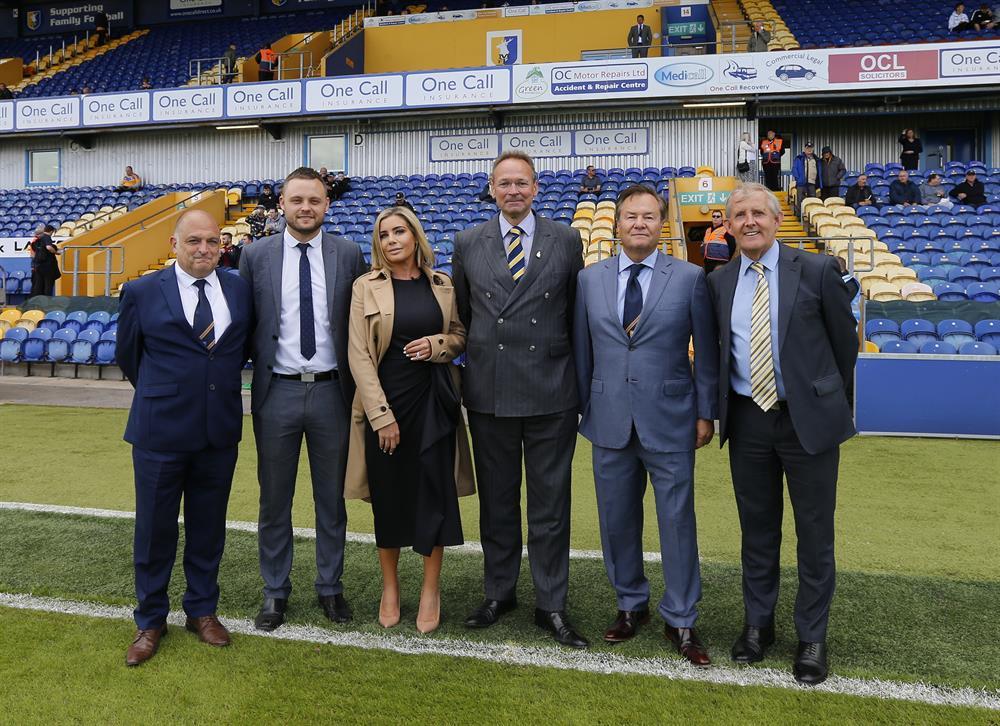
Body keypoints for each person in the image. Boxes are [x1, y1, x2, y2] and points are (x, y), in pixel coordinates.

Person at [706, 183, 858, 686]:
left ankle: (812, 636)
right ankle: (758, 625)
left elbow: (844, 347)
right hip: (748, 420)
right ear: (727, 224)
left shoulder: (815, 269)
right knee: (758, 529)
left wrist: (829, 404)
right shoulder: (719, 280)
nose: (749, 221)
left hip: (806, 420)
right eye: (739, 214)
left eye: (758, 213)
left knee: (815, 534)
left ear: (776, 220)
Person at [573, 185, 718, 664]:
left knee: (677, 522)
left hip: (672, 419)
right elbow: (582, 349)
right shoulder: (589, 280)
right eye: (631, 216)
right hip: (608, 417)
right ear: (616, 224)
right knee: (616, 521)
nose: (639, 223)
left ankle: (681, 618)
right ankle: (629, 604)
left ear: (661, 225)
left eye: (649, 217)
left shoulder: (692, 277)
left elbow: (708, 353)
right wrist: (582, 406)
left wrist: (704, 411)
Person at [452, 151, 587, 648]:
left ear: (536, 188)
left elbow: (575, 313)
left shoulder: (566, 239)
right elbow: (465, 315)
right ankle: (498, 591)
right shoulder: (468, 242)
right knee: (498, 503)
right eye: (504, 183)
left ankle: (551, 603)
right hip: (489, 393)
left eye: (522, 183)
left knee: (551, 505)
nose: (513, 191)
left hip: (552, 391)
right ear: (491, 188)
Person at [117, 209, 252, 666]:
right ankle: (150, 619)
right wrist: (166, 395)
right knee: (154, 530)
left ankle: (201, 610)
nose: (204, 250)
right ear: (174, 244)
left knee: (208, 528)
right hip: (160, 431)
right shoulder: (140, 291)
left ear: (222, 245)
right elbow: (130, 357)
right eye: (194, 241)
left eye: (212, 241)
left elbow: (241, 350)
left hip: (218, 432)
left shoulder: (238, 287)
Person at [239, 167, 367, 632]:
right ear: (283, 205)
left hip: (334, 391)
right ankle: (276, 591)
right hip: (277, 393)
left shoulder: (349, 253)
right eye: (297, 200)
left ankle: (330, 587)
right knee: (275, 499)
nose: (306, 208)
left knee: (331, 498)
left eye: (314, 200)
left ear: (327, 204)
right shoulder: (255, 256)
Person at [345, 206, 474, 634]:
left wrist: (438, 344)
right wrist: (382, 416)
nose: (392, 240)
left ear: (415, 236)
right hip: (387, 405)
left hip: (434, 404)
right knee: (391, 498)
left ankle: (431, 591)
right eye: (384, 234)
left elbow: (459, 336)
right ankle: (391, 589)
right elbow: (359, 355)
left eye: (400, 231)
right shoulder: (365, 286)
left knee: (434, 498)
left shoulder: (442, 284)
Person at [28, 224, 60, 296]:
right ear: (51, 231)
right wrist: (56, 252)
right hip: (47, 266)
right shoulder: (46, 238)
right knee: (48, 285)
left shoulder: (36, 240)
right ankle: (47, 302)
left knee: (39, 285)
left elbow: (34, 253)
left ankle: (39, 302)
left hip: (38, 265)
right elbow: (48, 247)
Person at [702, 210, 736, 274]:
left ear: (721, 218)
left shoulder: (725, 229)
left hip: (720, 262)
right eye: (714, 216)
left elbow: (732, 245)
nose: (715, 218)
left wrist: (728, 259)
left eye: (718, 216)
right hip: (707, 261)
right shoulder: (708, 230)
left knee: (718, 280)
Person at [791, 142, 820, 212]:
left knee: (812, 200)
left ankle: (811, 215)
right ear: (804, 149)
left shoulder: (816, 159)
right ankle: (799, 215)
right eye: (807, 148)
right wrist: (798, 179)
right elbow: (794, 169)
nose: (809, 149)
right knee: (800, 200)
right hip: (801, 183)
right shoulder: (799, 158)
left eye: (811, 148)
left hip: (812, 182)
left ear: (813, 149)